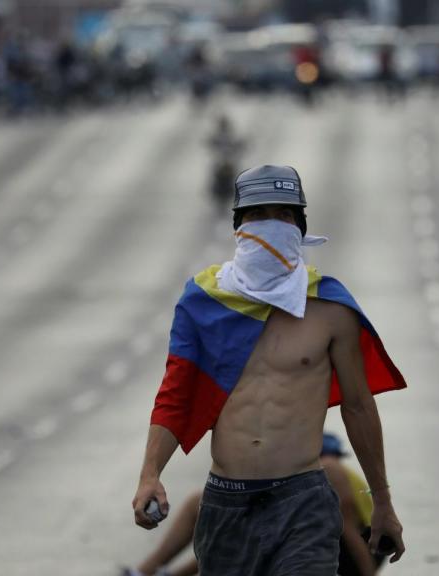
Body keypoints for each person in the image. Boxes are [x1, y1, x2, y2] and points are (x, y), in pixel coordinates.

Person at [132, 165, 407, 575]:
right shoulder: (205, 303)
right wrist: (150, 474)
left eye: (284, 215)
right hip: (227, 503)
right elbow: (176, 395)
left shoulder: (331, 310)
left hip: (303, 499)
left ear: (300, 226)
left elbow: (358, 407)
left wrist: (382, 501)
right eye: (259, 215)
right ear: (238, 226)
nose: (271, 226)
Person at [121, 433, 385, 576]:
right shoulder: (292, 478)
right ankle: (151, 571)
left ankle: (150, 572)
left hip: (352, 554)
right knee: (221, 518)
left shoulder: (332, 471)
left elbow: (349, 533)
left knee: (238, 529)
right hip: (308, 541)